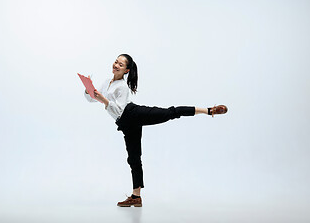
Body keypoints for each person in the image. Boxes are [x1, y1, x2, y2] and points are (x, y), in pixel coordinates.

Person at [83, 54, 228, 207]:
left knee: (171, 112)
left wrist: (103, 99)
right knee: (134, 158)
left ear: (126, 70)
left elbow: (118, 109)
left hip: (133, 114)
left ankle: (208, 110)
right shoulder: (107, 82)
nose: (116, 65)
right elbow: (92, 98)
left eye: (120, 64)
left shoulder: (122, 87)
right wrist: (89, 89)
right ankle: (136, 196)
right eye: (115, 62)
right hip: (126, 124)